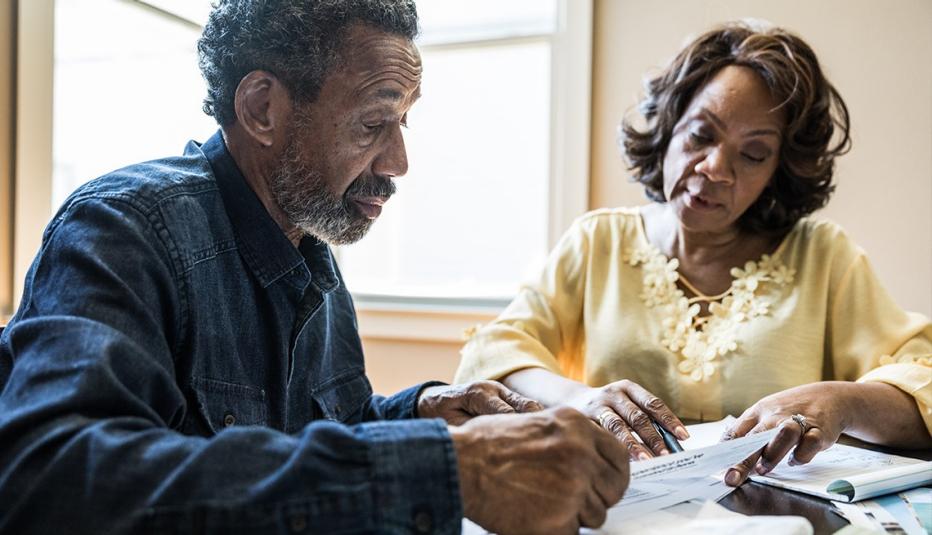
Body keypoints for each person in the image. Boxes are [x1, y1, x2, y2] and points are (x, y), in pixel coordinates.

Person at [0, 1, 630, 533]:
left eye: (403, 121)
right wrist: (450, 468)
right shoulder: (125, 228)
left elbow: (328, 430)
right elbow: (48, 476)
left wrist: (423, 411)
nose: (399, 161)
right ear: (263, 109)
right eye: (374, 122)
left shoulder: (311, 242)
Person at [456, 21, 932, 486]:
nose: (715, 168)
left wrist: (842, 401)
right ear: (669, 126)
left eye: (752, 154)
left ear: (778, 171)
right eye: (702, 135)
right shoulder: (598, 242)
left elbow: (921, 384)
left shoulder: (823, 256)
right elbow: (493, 356)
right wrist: (578, 399)